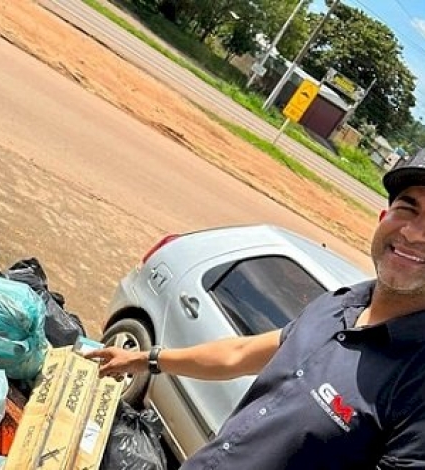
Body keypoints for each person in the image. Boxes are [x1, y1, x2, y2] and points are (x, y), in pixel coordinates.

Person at [85, 155, 425, 469]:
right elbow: (239, 353)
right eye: (408, 208)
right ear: (384, 218)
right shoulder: (337, 305)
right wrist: (146, 360)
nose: (412, 233)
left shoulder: (416, 383)